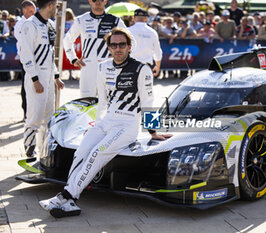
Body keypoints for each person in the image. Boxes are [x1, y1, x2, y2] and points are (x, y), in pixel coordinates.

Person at [39, 27, 171, 218]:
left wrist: (153, 131)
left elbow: (149, 102)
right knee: (81, 152)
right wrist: (96, 124)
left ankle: (67, 196)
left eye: (122, 45)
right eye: (114, 45)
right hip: (106, 121)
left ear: (129, 46)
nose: (118, 48)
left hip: (127, 125)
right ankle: (68, 201)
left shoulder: (142, 69)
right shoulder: (103, 67)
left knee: (96, 154)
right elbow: (102, 101)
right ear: (108, 47)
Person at [19, 0, 64, 157]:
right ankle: (29, 151)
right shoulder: (29, 25)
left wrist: (56, 76)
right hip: (36, 78)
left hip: (50, 77)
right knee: (35, 116)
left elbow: (50, 53)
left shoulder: (50, 24)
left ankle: (44, 152)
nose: (56, 9)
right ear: (50, 5)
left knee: (49, 117)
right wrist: (35, 79)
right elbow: (25, 54)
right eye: (56, 6)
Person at [63, 0, 131, 98]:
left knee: (109, 102)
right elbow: (67, 40)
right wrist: (73, 59)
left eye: (101, 0)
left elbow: (131, 41)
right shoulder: (81, 20)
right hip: (88, 66)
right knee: (87, 101)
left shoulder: (115, 21)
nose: (98, 2)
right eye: (95, 0)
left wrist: (122, 59)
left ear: (105, 1)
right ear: (90, 1)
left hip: (109, 65)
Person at [14, 0, 36, 120]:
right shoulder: (20, 25)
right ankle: (26, 112)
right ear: (24, 11)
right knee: (26, 86)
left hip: (37, 60)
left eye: (34, 11)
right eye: (30, 11)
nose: (33, 13)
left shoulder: (36, 22)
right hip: (26, 60)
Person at [128, 9, 162, 77]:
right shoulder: (152, 32)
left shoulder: (127, 31)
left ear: (134, 18)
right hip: (146, 67)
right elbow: (157, 52)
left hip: (130, 66)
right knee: (145, 87)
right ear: (146, 18)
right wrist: (157, 66)